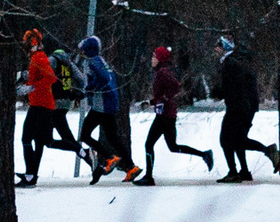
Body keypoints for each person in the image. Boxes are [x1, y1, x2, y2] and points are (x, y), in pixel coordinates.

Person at [138, 46, 213, 183]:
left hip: (164, 116)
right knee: (173, 147)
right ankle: (204, 154)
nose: (152, 59)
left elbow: (175, 86)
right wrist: (151, 102)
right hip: (166, 114)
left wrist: (165, 99)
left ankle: (148, 177)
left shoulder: (162, 72)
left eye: (154, 57)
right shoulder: (161, 71)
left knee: (149, 144)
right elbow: (162, 94)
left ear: (160, 59)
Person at [18, 29, 80, 185]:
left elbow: (51, 78)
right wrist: (26, 82)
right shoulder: (36, 57)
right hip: (40, 103)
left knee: (28, 138)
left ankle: (30, 175)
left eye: (26, 41)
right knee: (44, 141)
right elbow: (37, 77)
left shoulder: (39, 57)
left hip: (41, 104)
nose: (24, 44)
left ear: (32, 42)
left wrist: (30, 88)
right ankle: (31, 174)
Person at [214, 35, 278, 182]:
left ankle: (265, 153)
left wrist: (218, 93)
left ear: (225, 48)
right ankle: (243, 171)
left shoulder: (230, 64)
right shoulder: (237, 61)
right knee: (238, 139)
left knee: (226, 140)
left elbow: (231, 87)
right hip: (246, 106)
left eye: (219, 46)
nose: (216, 49)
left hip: (238, 107)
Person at [77, 35, 140, 183]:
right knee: (113, 138)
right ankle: (131, 167)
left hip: (102, 106)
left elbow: (104, 79)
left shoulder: (93, 62)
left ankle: (110, 157)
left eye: (84, 49)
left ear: (88, 49)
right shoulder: (100, 60)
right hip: (109, 104)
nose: (82, 52)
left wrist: (90, 89)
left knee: (85, 135)